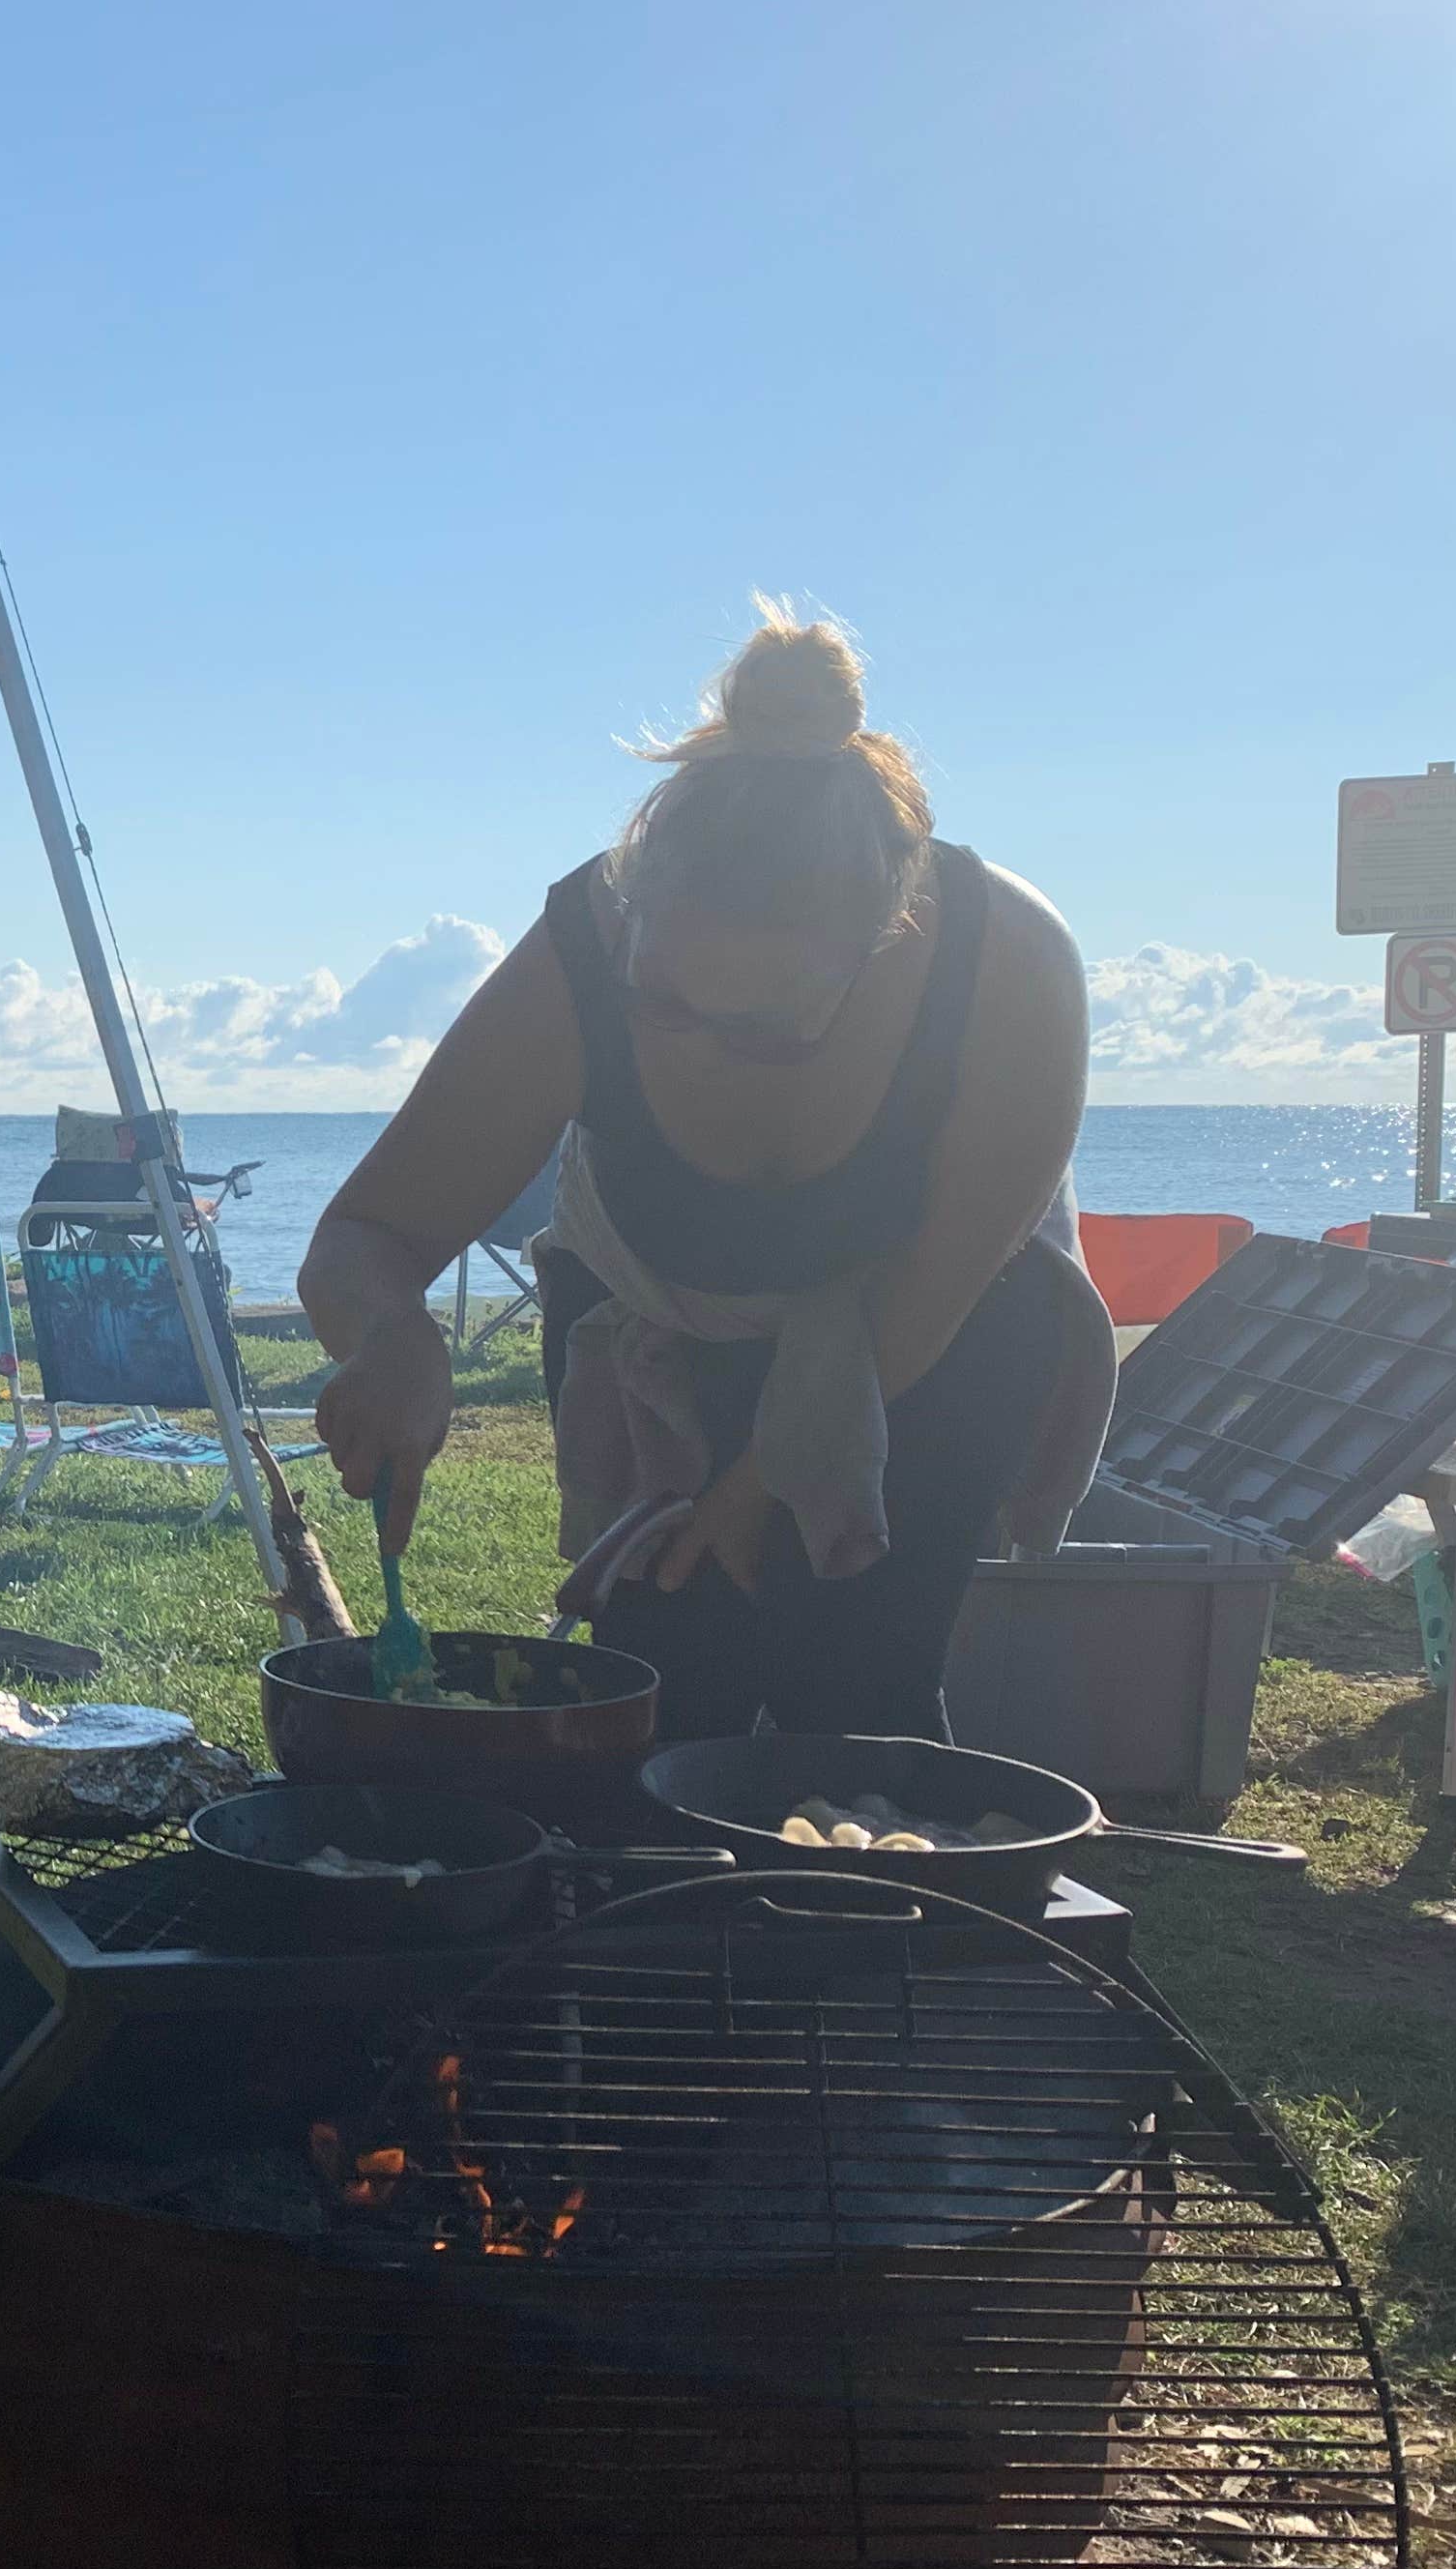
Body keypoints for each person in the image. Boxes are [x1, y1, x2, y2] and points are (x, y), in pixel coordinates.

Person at [301, 606, 1115, 1740]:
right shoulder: (572, 956)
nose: (695, 1042)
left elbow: (936, 1289)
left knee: (863, 1695)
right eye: (659, 1002)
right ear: (630, 915)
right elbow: (365, 1235)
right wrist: (393, 1337)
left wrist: (747, 1494)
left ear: (887, 938)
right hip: (652, 1334)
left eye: (766, 1027)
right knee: (665, 1700)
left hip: (932, 1337)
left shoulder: (1011, 966)